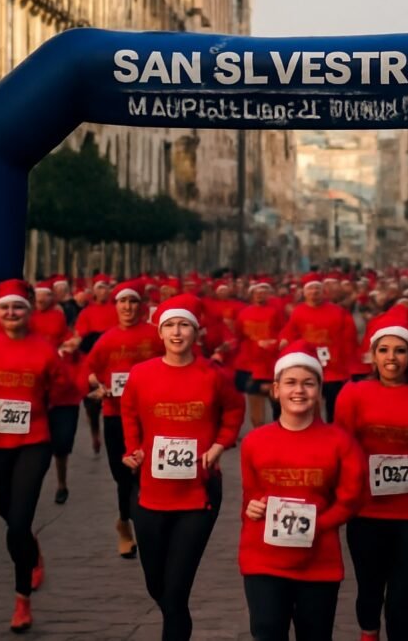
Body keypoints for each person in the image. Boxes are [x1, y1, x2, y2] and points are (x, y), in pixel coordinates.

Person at [120, 294, 244, 641]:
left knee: (175, 593)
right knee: (156, 585)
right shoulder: (141, 374)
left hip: (198, 495)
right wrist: (133, 449)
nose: (177, 332)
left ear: (196, 332)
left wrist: (220, 445)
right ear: (160, 333)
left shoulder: (213, 375)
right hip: (149, 495)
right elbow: (129, 412)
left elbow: (235, 410)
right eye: (170, 325)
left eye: (184, 325)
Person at [239, 341, 365, 641]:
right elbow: (251, 496)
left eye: (309, 383)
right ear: (275, 390)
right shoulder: (255, 441)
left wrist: (316, 525)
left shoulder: (340, 442)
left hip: (319, 559)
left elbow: (351, 498)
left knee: (315, 634)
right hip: (263, 558)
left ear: (319, 390)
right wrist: (253, 507)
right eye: (291, 383)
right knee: (267, 631)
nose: (299, 391)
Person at [335, 314, 408, 641]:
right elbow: (342, 440)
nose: (391, 358)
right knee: (370, 590)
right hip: (367, 508)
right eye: (383, 350)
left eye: (399, 351)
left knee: (400, 598)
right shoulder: (353, 394)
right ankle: (368, 635)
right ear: (372, 355)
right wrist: (362, 467)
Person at [0, 279, 67, 632]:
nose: (11, 313)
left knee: (19, 522)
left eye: (18, 307)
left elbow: (61, 389)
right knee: (6, 514)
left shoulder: (44, 349)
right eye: (5, 308)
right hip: (0, 442)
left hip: (35, 442)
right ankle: (31, 548)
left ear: (29, 311)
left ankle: (22, 598)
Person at [84, 280, 162, 558]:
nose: (127, 307)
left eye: (133, 302)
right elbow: (90, 371)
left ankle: (145, 526)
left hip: (150, 415)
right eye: (122, 302)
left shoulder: (155, 336)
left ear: (141, 306)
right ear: (115, 306)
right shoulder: (107, 339)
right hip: (115, 414)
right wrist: (99, 386)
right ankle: (124, 523)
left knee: (144, 473)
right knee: (123, 476)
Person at [29, 278, 83, 505]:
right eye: (38, 297)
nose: (41, 300)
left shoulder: (58, 317)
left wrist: (73, 343)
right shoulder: (27, 320)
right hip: (34, 391)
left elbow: (68, 338)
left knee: (61, 445)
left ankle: (61, 482)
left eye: (45, 296)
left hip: (61, 393)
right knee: (37, 445)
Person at [278, 273, 357, 423]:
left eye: (317, 289)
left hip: (335, 369)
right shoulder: (299, 312)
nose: (314, 292)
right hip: (309, 366)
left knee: (334, 407)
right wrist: (284, 340)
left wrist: (348, 363)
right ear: (305, 292)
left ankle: (334, 431)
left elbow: (349, 339)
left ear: (323, 291)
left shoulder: (338, 312)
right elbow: (290, 331)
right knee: (310, 403)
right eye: (310, 289)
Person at [69, 274, 118, 454]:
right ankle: (95, 433)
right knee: (91, 403)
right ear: (94, 291)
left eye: (106, 287)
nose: (103, 291)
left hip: (113, 361)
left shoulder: (116, 309)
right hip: (92, 360)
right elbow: (81, 335)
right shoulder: (87, 312)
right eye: (100, 287)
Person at [234, 279, 285, 427]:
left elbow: (283, 332)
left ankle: (279, 426)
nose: (260, 295)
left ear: (268, 295)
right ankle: (258, 429)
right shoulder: (244, 313)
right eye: (257, 293)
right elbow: (239, 335)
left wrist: (274, 343)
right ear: (252, 294)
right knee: (254, 398)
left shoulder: (275, 312)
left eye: (263, 293)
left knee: (276, 400)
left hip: (271, 362)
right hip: (250, 363)